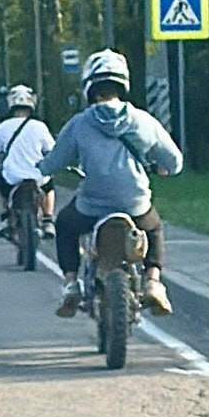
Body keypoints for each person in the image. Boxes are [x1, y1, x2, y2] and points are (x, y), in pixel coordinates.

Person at [36, 49, 182, 318]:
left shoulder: (79, 124)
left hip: (91, 207)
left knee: (65, 225)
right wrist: (163, 168)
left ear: (90, 87)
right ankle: (153, 282)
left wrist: (42, 167)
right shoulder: (143, 120)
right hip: (135, 204)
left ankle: (71, 284)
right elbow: (174, 162)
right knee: (154, 228)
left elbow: (53, 163)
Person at [0, 84, 57, 239]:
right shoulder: (40, 126)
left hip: (12, 177)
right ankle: (48, 219)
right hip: (37, 176)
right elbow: (51, 149)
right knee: (49, 187)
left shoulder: (1, 127)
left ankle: (5, 217)